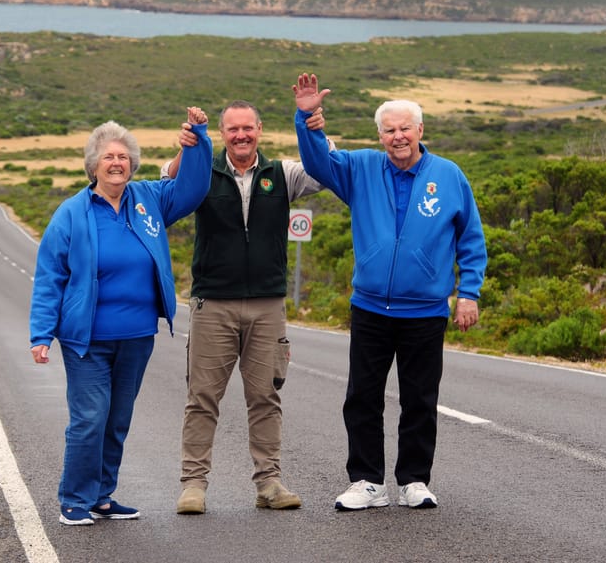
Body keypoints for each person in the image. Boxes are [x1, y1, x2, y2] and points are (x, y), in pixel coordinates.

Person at [291, 72, 486, 511]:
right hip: (371, 308)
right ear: (379, 135)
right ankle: (367, 482)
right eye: (389, 130)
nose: (398, 137)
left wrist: (468, 292)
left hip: (426, 311)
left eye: (405, 128)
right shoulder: (359, 168)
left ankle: (414, 480)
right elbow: (318, 163)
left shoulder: (449, 175)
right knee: (362, 397)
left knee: (420, 400)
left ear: (420, 130)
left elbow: (471, 239)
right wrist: (306, 120)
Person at [29, 110, 213, 526]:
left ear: (133, 164)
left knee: (116, 420)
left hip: (136, 335)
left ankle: (101, 495)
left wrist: (199, 139)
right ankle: (74, 499)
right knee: (90, 418)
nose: (117, 163)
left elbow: (194, 188)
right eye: (109, 157)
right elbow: (50, 276)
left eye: (124, 157)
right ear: (93, 165)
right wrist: (41, 333)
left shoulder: (149, 199)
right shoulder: (72, 213)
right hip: (87, 339)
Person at [163, 100, 332, 515]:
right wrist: (187, 147)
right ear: (222, 134)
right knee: (202, 397)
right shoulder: (204, 173)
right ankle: (193, 486)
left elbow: (323, 170)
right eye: (233, 129)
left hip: (267, 305)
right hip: (213, 304)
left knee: (265, 397)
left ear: (260, 130)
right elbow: (168, 180)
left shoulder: (282, 173)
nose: (241, 136)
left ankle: (269, 484)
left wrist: (314, 128)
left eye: (248, 128)